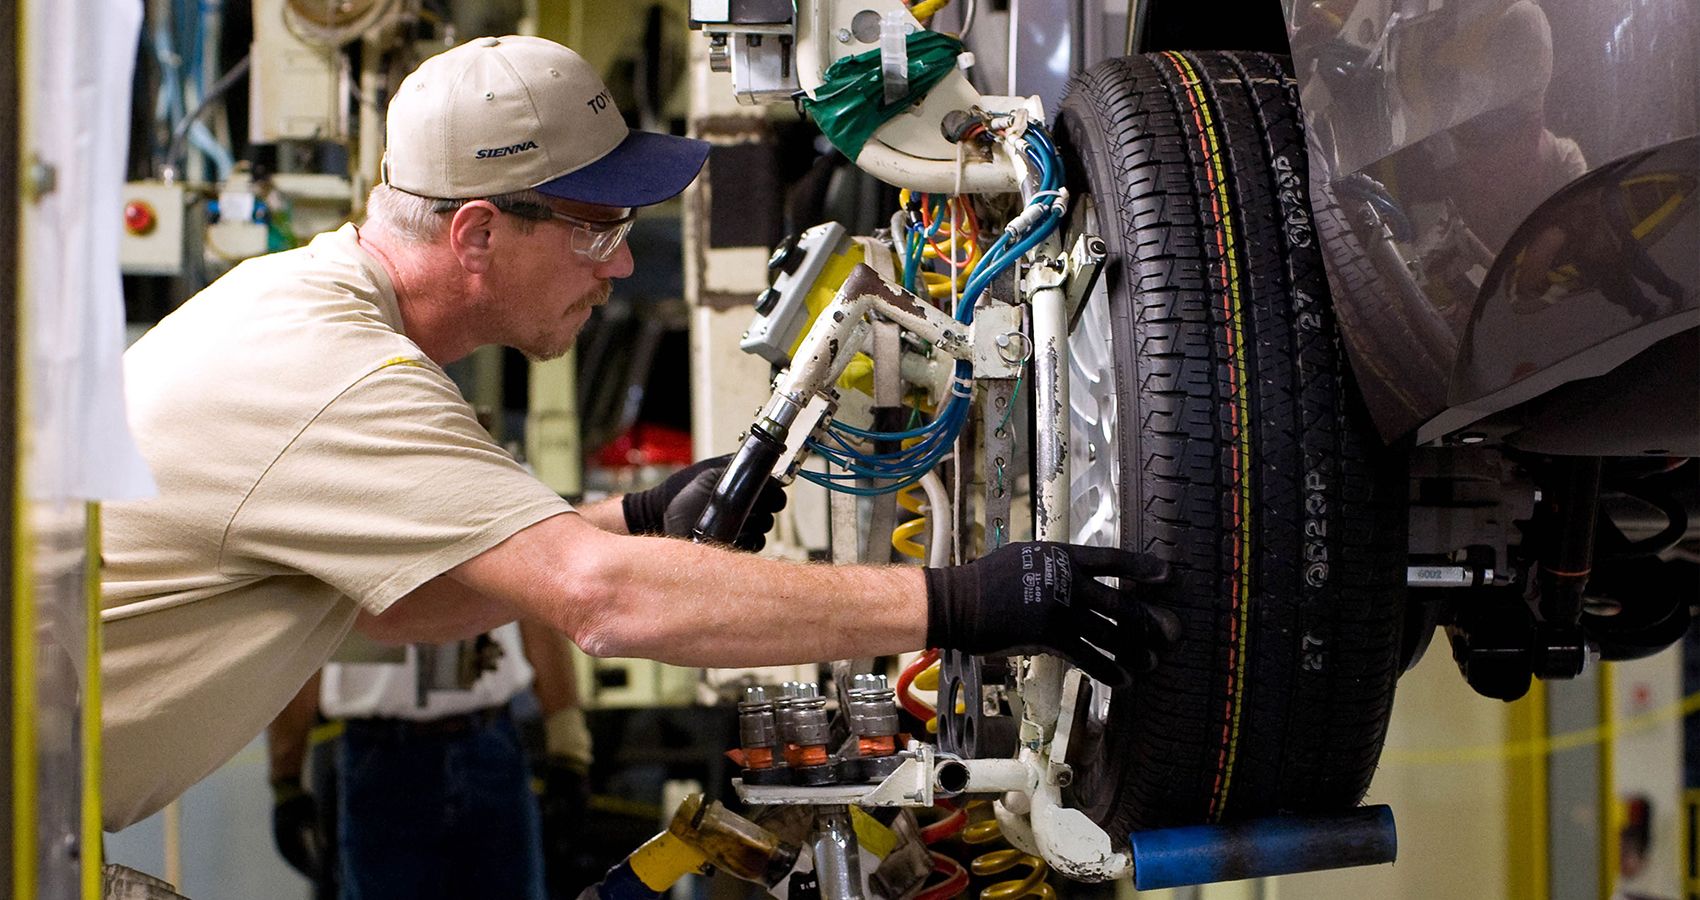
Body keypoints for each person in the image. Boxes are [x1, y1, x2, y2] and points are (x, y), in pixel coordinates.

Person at [98, 34, 1177, 838]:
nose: (618, 267)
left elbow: (404, 603)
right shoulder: (336, 373)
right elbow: (602, 602)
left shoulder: (309, 310)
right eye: (597, 230)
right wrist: (969, 603)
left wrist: (637, 514)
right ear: (477, 233)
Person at [265, 621, 588, 899]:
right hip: (382, 761)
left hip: (491, 746)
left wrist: (569, 744)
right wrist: (286, 778)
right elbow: (303, 628)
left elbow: (532, 601)